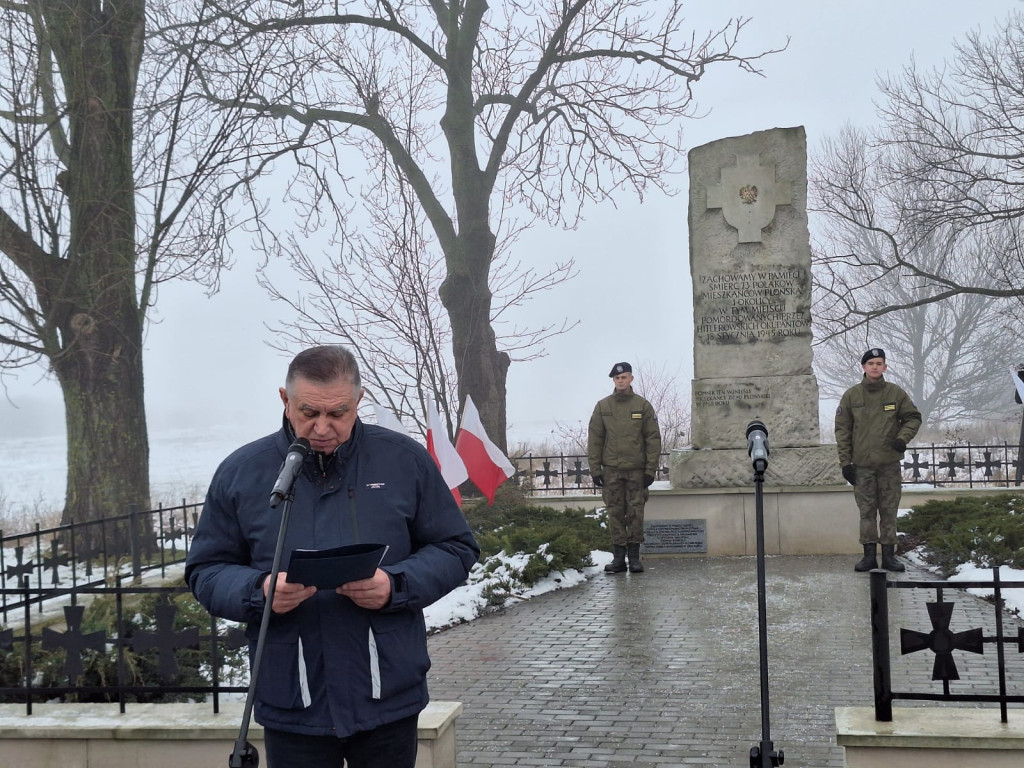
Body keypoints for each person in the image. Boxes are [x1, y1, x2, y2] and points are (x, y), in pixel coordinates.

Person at [185, 345, 480, 768]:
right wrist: (258, 590)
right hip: (293, 696)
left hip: (387, 691)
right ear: (285, 401)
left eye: (338, 413)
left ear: (359, 401)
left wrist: (395, 586)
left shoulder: (404, 460)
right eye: (308, 412)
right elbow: (205, 570)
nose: (322, 427)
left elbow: (455, 547)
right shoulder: (242, 472)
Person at [835, 347, 922, 573]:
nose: (875, 367)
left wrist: (902, 439)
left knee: (889, 509)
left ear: (885, 367)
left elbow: (913, 418)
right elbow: (842, 431)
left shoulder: (895, 394)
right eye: (870, 363)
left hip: (888, 465)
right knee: (866, 511)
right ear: (863, 367)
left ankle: (889, 557)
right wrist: (846, 463)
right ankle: (869, 556)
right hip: (862, 466)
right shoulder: (852, 396)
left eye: (879, 363)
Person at [587, 361, 662, 574]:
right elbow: (595, 439)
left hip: (636, 471)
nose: (621, 381)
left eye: (624, 377)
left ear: (631, 379)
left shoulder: (642, 406)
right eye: (617, 378)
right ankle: (618, 558)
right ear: (614, 380)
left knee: (636, 513)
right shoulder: (603, 407)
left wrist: (650, 470)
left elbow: (653, 439)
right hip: (611, 470)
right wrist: (595, 469)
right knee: (616, 513)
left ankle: (634, 558)